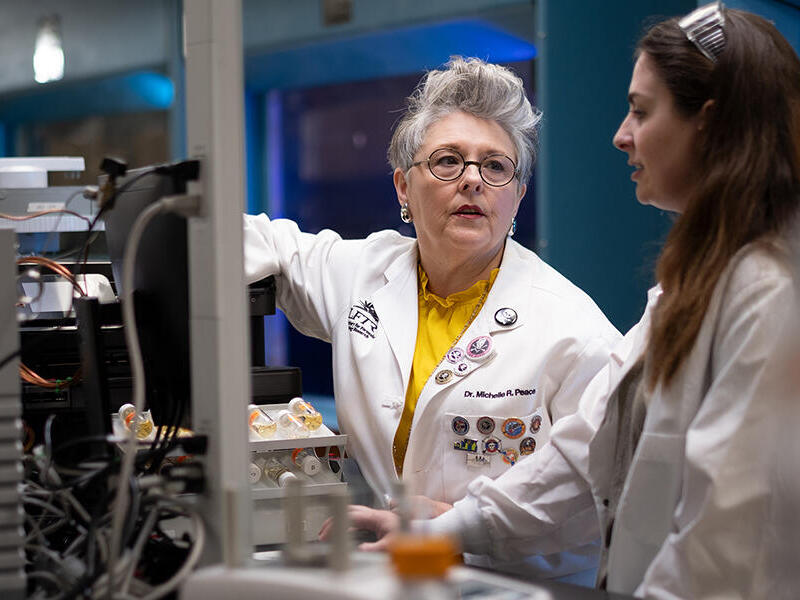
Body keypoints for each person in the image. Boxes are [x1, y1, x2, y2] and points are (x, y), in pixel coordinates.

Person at [347, 4, 800, 597]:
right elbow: (588, 447)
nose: (621, 134)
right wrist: (450, 530)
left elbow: (728, 546)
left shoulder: (772, 296)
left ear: (708, 125)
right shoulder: (697, 284)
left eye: (641, 110)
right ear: (403, 184)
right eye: (447, 162)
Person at [243, 56, 621, 582]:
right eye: (447, 161)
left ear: (517, 197)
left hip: (518, 587)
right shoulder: (365, 274)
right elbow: (268, 245)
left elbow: (592, 485)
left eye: (495, 166)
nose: (472, 181)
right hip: (396, 578)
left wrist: (454, 524)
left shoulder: (573, 330)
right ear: (403, 187)